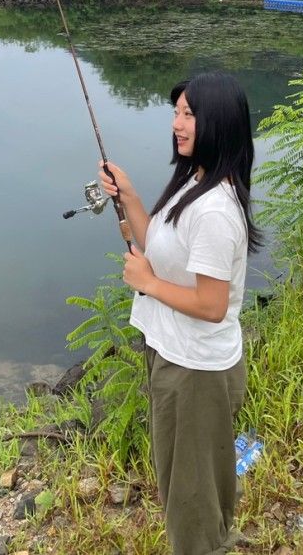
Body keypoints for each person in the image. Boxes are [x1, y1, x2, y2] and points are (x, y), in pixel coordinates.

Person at [99, 71, 261, 555]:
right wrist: (128, 195)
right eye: (176, 112)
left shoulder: (213, 209)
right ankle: (216, 540)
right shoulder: (193, 181)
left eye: (189, 114)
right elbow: (162, 248)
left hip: (195, 368)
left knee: (190, 495)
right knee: (188, 481)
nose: (177, 123)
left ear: (218, 122)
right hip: (173, 353)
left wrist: (148, 283)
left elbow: (212, 306)